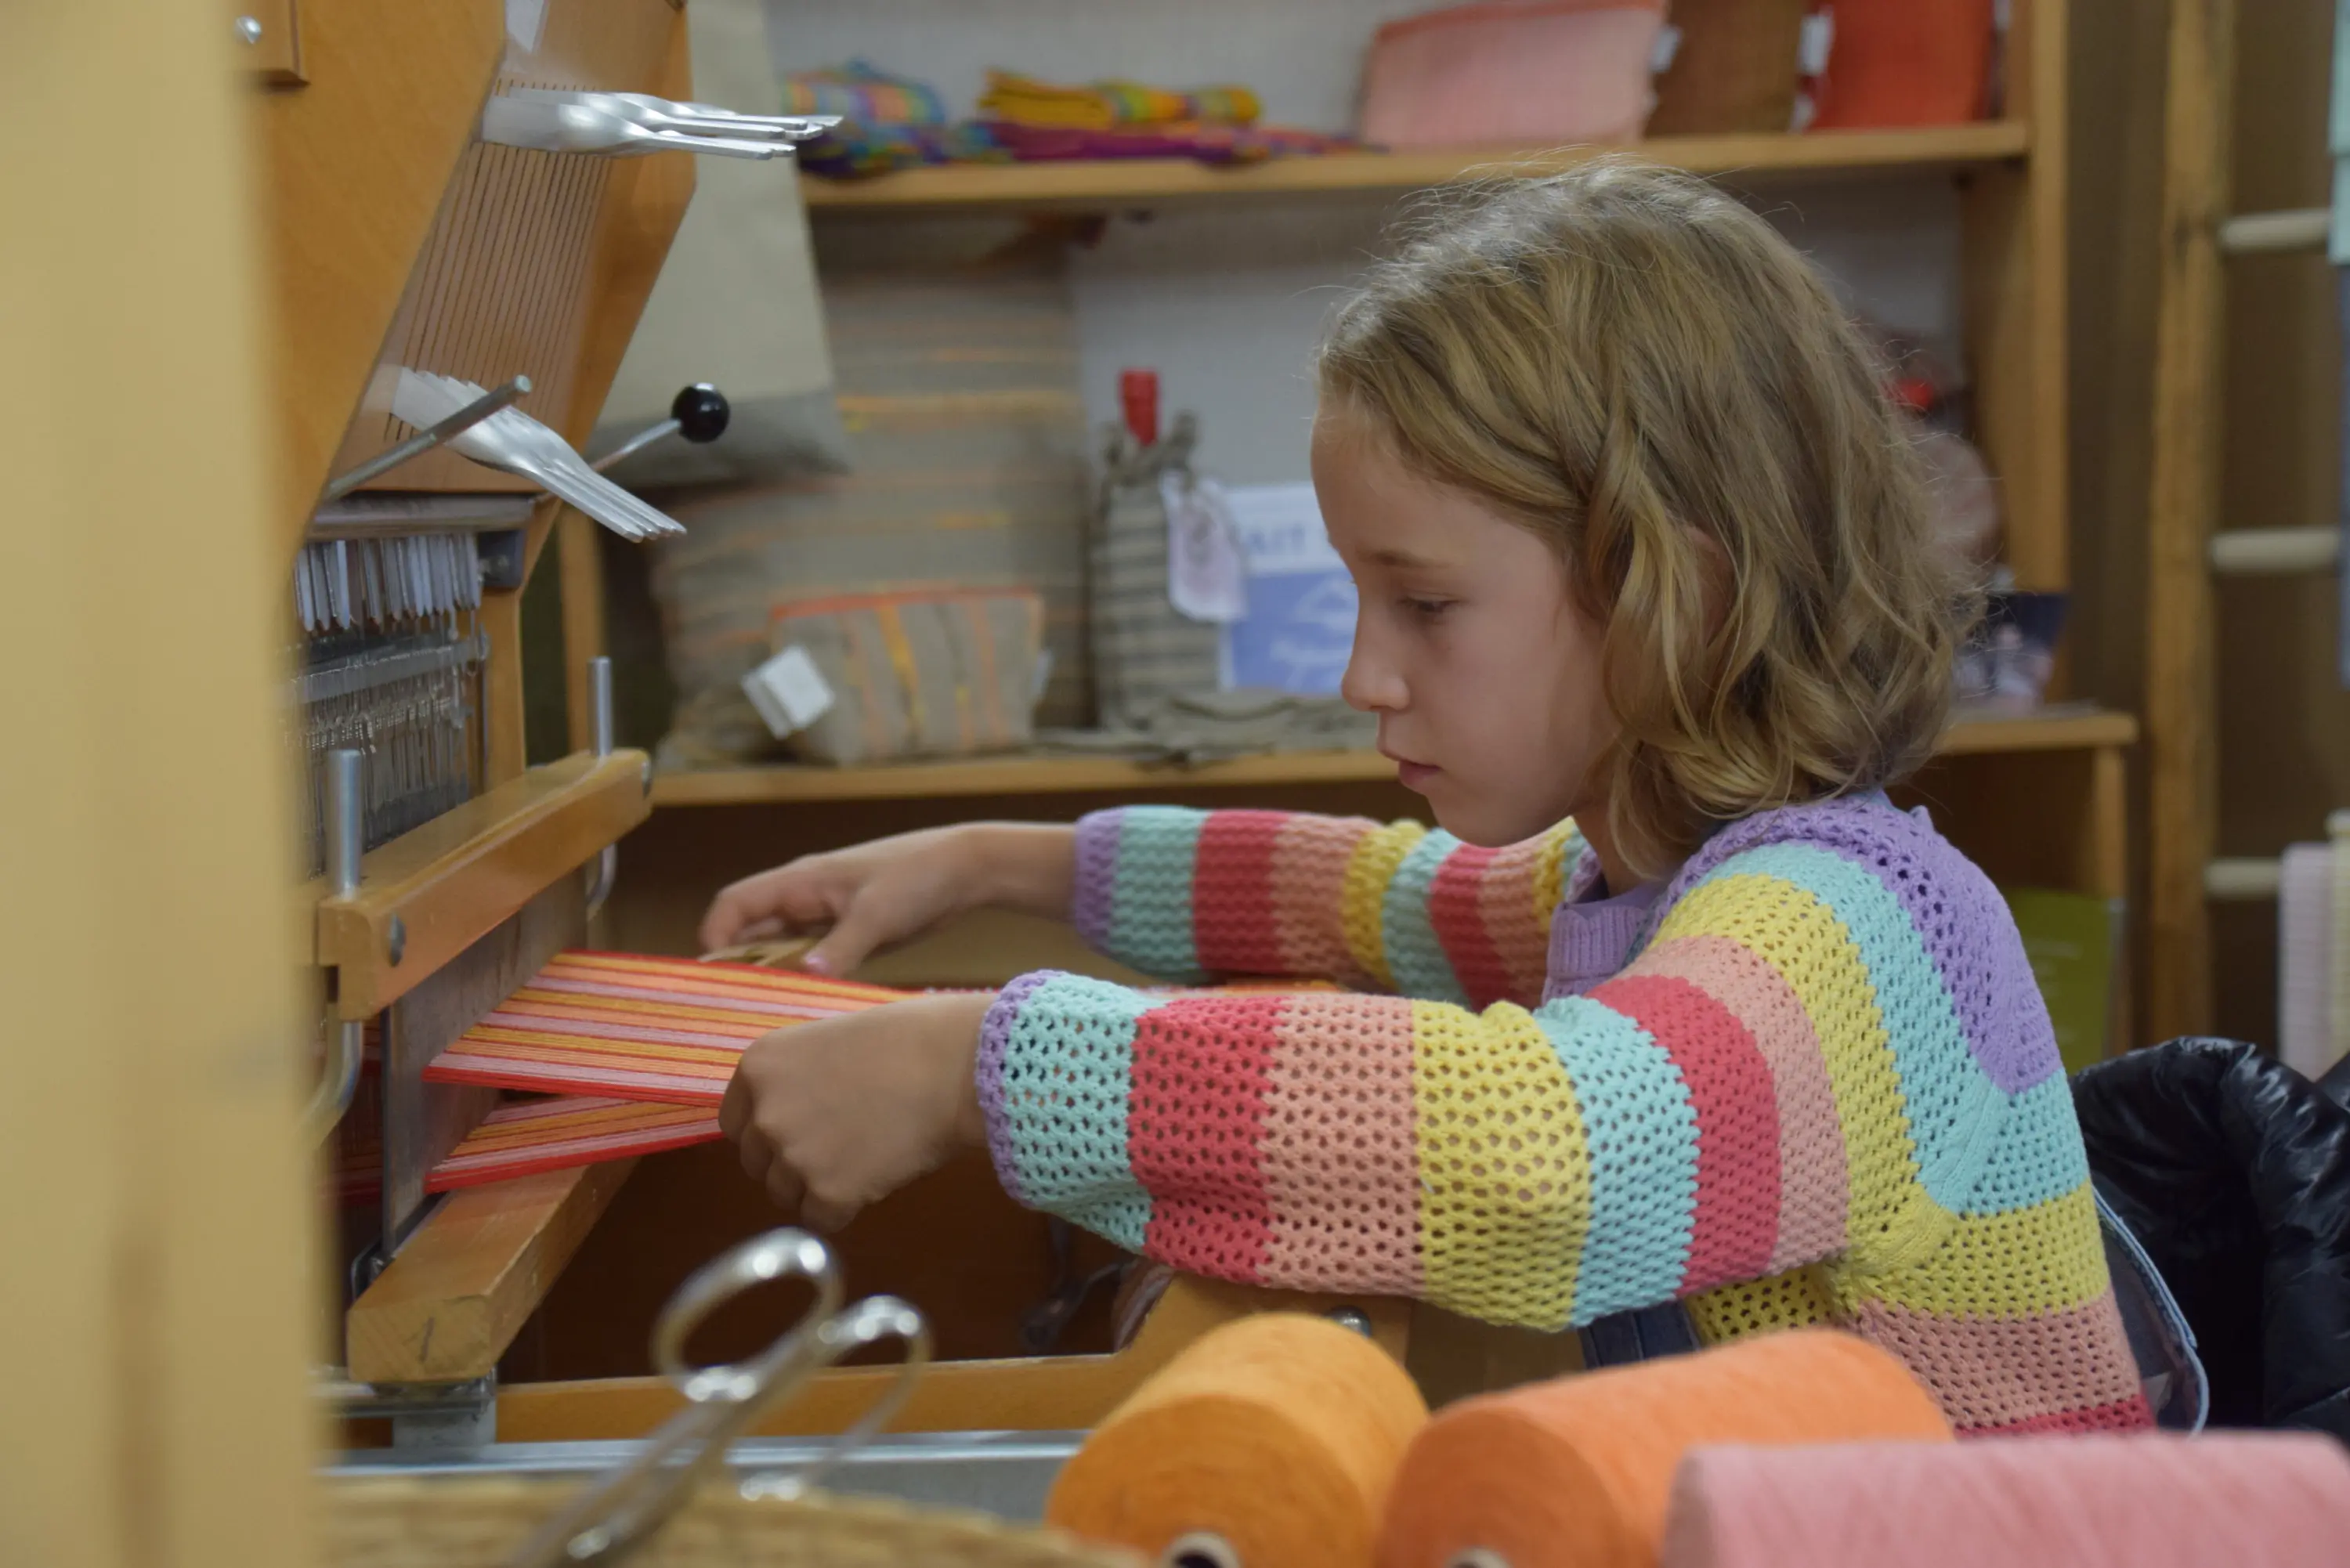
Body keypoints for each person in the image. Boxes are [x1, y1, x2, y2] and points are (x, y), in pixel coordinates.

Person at [703, 160, 2152, 1436]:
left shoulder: (1849, 932)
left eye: (1425, 603)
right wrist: (983, 862)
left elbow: (1548, 1155)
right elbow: (1348, 889)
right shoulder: (1640, 879)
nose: (1364, 672)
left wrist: (981, 1069)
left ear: (1679, 591)